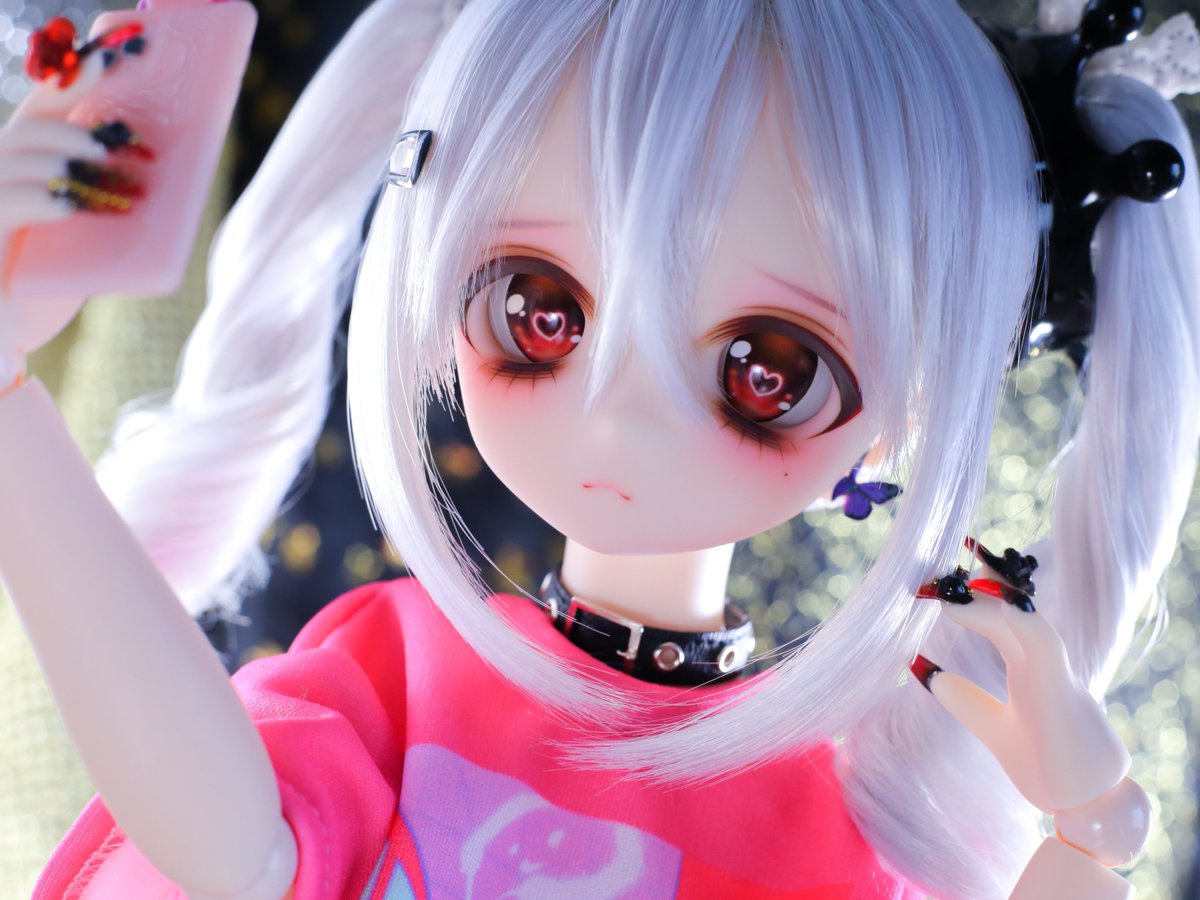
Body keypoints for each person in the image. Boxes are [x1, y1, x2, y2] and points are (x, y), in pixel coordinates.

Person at [0, 0, 1197, 897]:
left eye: (767, 373)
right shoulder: (403, 677)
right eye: (540, 313)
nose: (618, 423)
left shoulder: (824, 829)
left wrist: (1087, 829)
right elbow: (236, 855)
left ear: (907, 411)